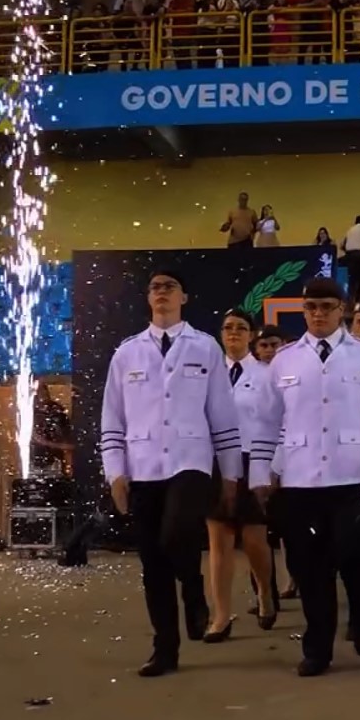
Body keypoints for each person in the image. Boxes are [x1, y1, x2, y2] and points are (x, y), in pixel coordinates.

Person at [99, 269, 245, 677]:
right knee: (153, 562)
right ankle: (165, 648)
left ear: (184, 297)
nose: (162, 293)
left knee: (176, 534)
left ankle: (194, 588)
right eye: (155, 288)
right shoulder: (127, 353)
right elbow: (112, 418)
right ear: (148, 299)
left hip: (190, 461)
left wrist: (231, 474)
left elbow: (223, 415)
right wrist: (115, 472)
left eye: (170, 287)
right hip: (143, 464)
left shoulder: (205, 347)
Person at [266, 277, 360, 677]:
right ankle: (318, 647)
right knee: (309, 566)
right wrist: (267, 470)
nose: (318, 315)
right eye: (311, 308)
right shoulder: (284, 360)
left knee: (355, 555)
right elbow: (271, 422)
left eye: (327, 307)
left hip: (352, 475)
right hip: (301, 478)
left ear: (342, 310)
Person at [205, 309, 282, 641]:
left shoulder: (266, 375)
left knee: (253, 539)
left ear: (251, 335)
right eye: (227, 328)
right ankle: (221, 616)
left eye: (240, 328)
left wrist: (273, 466)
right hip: (218, 460)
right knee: (219, 539)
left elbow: (278, 421)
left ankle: (265, 590)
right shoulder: (209, 374)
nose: (233, 333)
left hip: (254, 459)